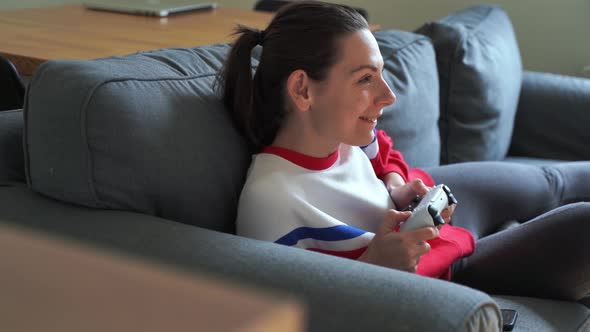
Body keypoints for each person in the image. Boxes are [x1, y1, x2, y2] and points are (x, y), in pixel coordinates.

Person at [217, 1, 590, 301]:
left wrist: (395, 183)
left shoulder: (342, 133)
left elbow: (382, 151)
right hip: (440, 269)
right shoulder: (272, 202)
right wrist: (373, 267)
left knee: (554, 181)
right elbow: (298, 311)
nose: (388, 96)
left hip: (429, 209)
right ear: (302, 90)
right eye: (365, 78)